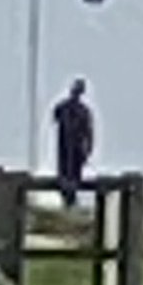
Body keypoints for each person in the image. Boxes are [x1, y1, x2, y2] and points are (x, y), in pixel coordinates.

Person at [52, 78, 94, 207]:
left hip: (76, 150)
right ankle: (68, 196)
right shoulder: (63, 108)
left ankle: (70, 198)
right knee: (66, 176)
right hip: (66, 149)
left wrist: (87, 150)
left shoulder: (83, 111)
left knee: (73, 176)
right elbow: (56, 117)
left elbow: (89, 133)